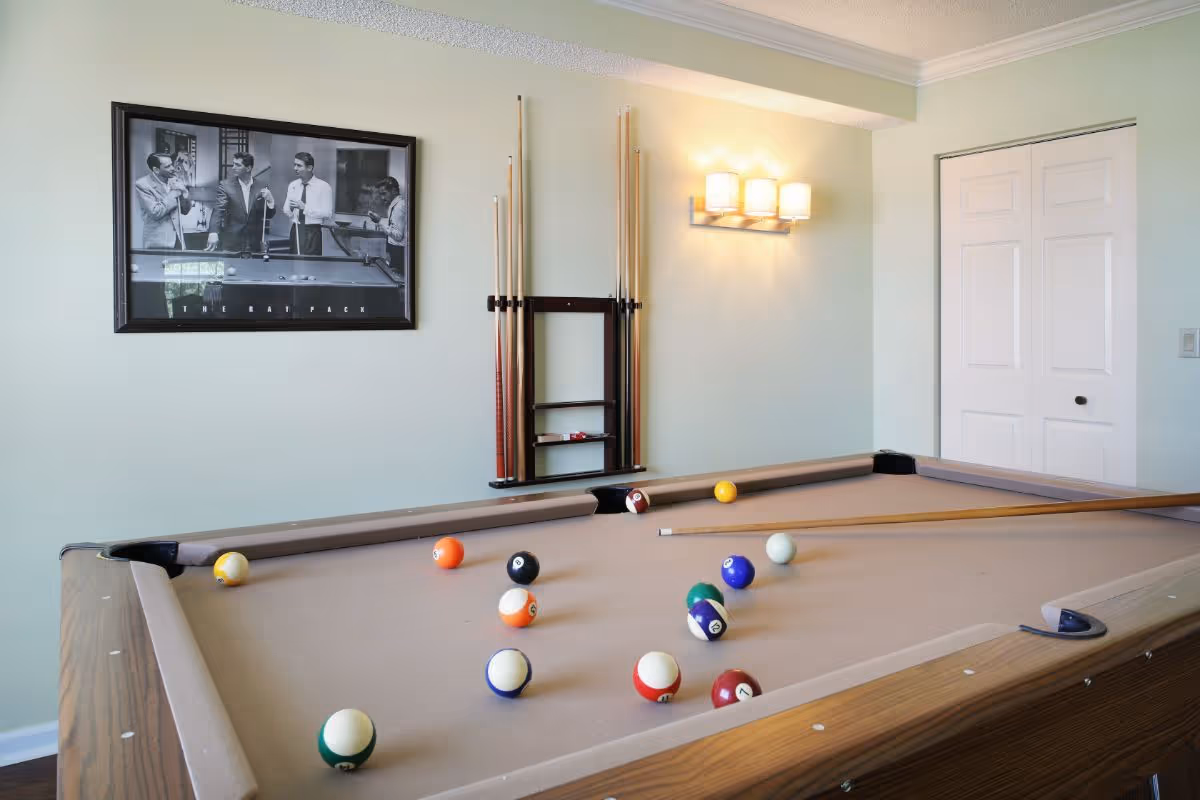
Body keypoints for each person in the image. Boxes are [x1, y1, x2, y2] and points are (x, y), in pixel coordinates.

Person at [205, 152, 275, 252]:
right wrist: (213, 232)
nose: (233, 167)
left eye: (238, 165)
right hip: (232, 243)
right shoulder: (225, 186)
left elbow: (268, 215)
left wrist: (271, 201)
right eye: (233, 164)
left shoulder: (262, 186)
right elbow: (218, 211)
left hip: (255, 244)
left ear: (248, 168)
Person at [133, 153, 191, 249]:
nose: (173, 168)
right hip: (157, 243)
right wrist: (173, 193)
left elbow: (185, 211)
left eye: (171, 164)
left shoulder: (175, 180)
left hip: (178, 241)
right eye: (168, 166)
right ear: (156, 170)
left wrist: (184, 192)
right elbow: (155, 212)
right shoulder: (142, 184)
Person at [283, 152, 332, 255]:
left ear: (309, 168)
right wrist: (290, 209)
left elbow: (327, 213)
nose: (295, 168)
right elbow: (286, 210)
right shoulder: (293, 185)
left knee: (311, 266)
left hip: (312, 231)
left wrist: (305, 208)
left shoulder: (324, 187)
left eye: (299, 165)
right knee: (293, 265)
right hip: (295, 229)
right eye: (294, 165)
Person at [367, 176, 406, 276]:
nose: (382, 198)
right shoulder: (396, 205)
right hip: (396, 251)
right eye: (381, 194)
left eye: (384, 193)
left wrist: (379, 221)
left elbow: (397, 235)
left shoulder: (399, 207)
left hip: (399, 253)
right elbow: (394, 224)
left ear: (393, 191)